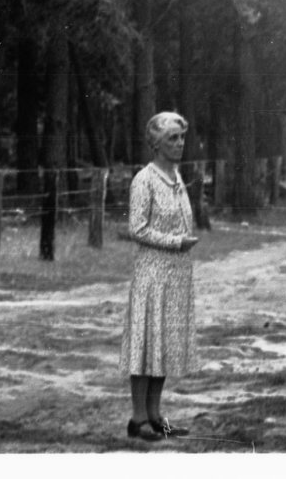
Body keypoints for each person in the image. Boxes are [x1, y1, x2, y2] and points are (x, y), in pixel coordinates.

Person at [122, 111, 198, 441]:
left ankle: (155, 414)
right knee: (146, 342)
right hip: (152, 273)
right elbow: (136, 228)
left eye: (182, 137)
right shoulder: (145, 179)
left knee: (164, 344)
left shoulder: (177, 177)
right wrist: (174, 242)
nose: (180, 144)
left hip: (177, 273)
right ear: (156, 143)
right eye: (172, 138)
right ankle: (138, 417)